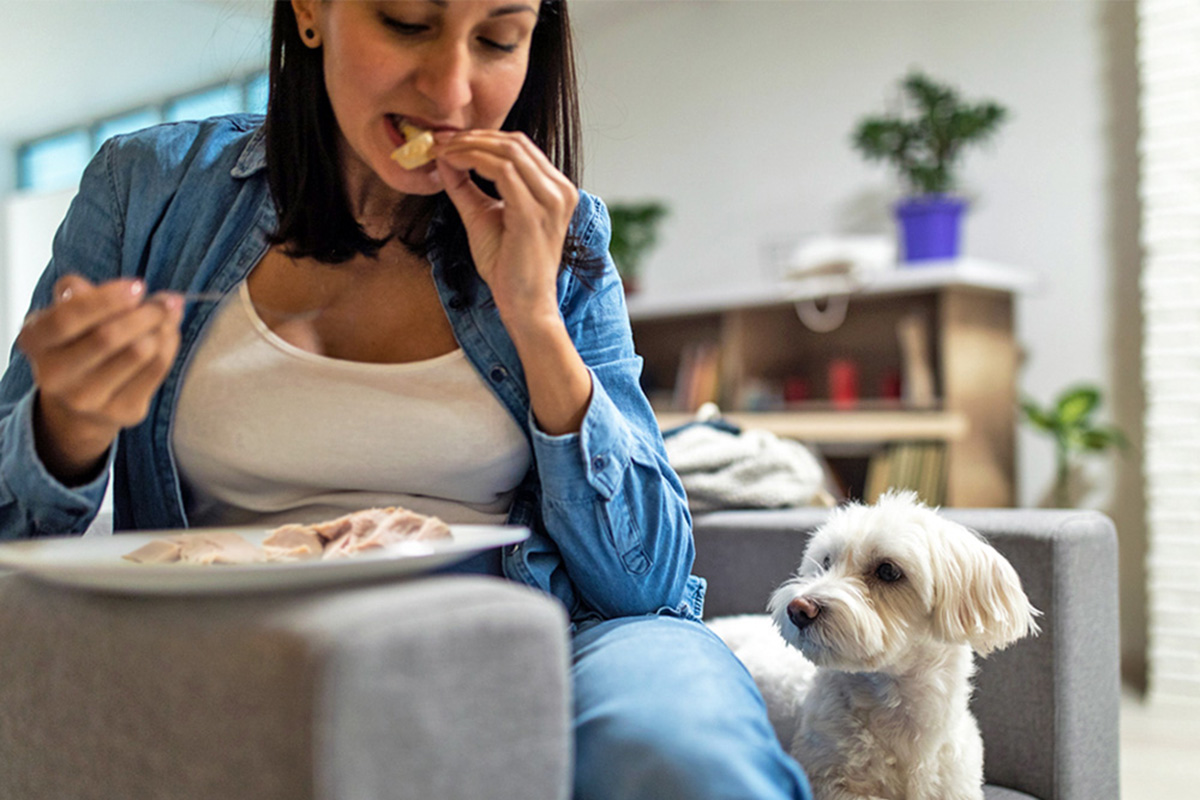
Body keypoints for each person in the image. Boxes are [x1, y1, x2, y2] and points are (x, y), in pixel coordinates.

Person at [0, 2, 812, 798]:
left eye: (497, 37)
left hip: (539, 634)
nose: (451, 89)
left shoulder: (565, 235)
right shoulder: (150, 191)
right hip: (232, 648)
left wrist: (531, 315)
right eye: (408, 24)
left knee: (681, 759)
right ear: (311, 12)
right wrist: (66, 425)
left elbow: (647, 582)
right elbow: (15, 535)